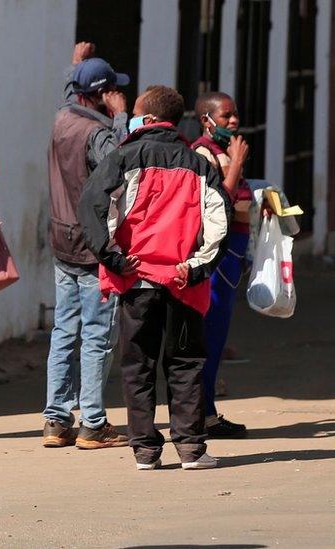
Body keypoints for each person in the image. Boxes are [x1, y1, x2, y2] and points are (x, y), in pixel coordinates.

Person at [79, 85, 231, 471]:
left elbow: (92, 207)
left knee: (138, 363)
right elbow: (220, 221)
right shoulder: (198, 163)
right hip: (183, 282)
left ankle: (145, 450)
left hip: (137, 280)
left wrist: (113, 257)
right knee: (185, 363)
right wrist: (197, 266)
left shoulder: (123, 156)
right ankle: (191, 448)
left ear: (145, 120)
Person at [42, 52, 132, 449]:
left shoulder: (63, 118)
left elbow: (70, 94)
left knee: (64, 331)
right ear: (102, 95)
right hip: (92, 245)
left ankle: (56, 420)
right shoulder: (98, 133)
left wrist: (74, 66)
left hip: (62, 240)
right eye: (112, 91)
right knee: (96, 334)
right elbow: (121, 164)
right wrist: (121, 118)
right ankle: (92, 423)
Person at [191, 91, 251, 439]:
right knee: (209, 337)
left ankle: (208, 412)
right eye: (225, 116)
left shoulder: (222, 152)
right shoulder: (203, 153)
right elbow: (215, 204)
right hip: (217, 258)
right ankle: (201, 415)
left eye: (234, 114)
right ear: (206, 120)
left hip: (232, 257)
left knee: (217, 337)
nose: (233, 121)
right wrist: (238, 163)